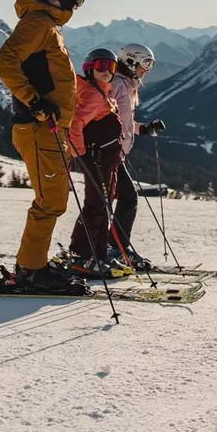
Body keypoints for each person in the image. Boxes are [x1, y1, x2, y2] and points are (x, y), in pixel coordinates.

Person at [0, 0, 87, 294]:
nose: (75, 9)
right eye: (75, 1)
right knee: (50, 202)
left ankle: (34, 266)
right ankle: (31, 271)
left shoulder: (44, 24)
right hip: (39, 127)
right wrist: (35, 102)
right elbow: (3, 64)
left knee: (53, 200)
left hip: (50, 128)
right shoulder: (38, 23)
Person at [64, 47, 124, 278]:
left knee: (102, 205)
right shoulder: (93, 94)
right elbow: (75, 124)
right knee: (96, 206)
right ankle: (82, 255)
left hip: (103, 159)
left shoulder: (99, 90)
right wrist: (81, 153)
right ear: (90, 68)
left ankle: (97, 254)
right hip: (96, 159)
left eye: (112, 67)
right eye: (101, 66)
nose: (107, 71)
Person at [106, 43, 165, 270]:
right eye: (145, 64)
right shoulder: (117, 85)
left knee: (115, 199)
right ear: (131, 61)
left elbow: (125, 123)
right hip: (108, 151)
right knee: (126, 198)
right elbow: (105, 118)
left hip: (116, 151)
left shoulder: (128, 86)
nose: (147, 70)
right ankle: (113, 248)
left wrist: (144, 128)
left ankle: (112, 246)